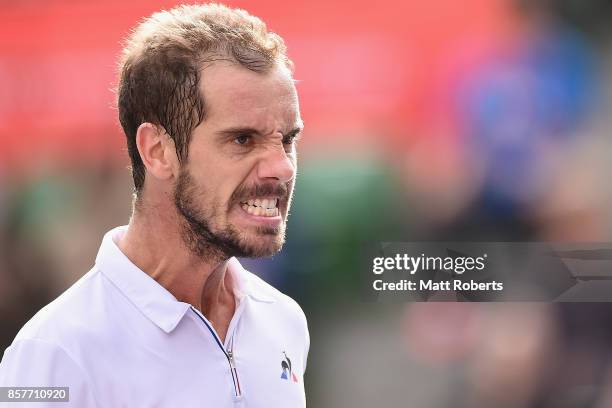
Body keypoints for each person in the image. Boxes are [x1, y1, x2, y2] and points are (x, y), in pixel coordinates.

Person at [0, 4, 309, 407]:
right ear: (158, 151)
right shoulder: (52, 352)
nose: (282, 167)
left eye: (287, 139)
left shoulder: (283, 319)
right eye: (242, 140)